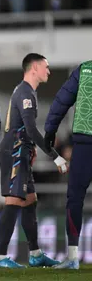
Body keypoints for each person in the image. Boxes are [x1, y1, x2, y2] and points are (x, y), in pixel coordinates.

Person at [0, 53, 67, 268]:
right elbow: (31, 129)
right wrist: (55, 157)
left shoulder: (27, 92)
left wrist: (31, 148)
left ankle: (35, 254)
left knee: (30, 201)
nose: (49, 71)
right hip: (14, 152)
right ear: (34, 67)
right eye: (46, 67)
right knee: (14, 201)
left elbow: (25, 131)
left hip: (21, 150)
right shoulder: (25, 92)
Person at [44, 56, 92, 270]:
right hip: (82, 144)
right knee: (74, 199)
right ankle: (71, 257)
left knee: (75, 198)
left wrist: (50, 129)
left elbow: (62, 100)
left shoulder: (85, 70)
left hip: (84, 145)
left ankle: (72, 257)